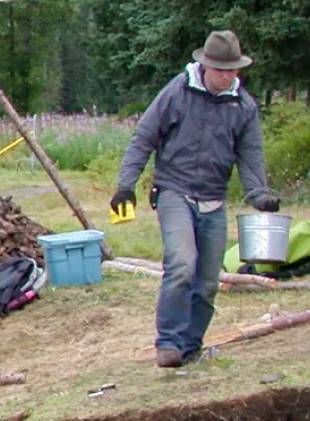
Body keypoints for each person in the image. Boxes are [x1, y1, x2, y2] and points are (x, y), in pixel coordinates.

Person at [112, 30, 279, 368]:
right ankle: (169, 343)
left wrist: (259, 194)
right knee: (182, 264)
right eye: (222, 70)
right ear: (206, 66)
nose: (229, 76)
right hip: (174, 190)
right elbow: (144, 138)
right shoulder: (177, 92)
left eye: (234, 70)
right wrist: (126, 185)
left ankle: (189, 348)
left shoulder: (242, 105)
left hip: (214, 198)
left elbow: (250, 155)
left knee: (206, 282)